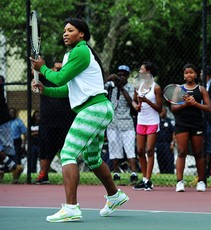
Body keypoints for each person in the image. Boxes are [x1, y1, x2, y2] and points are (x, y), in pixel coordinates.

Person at [30, 18, 129, 222]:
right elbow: (68, 88)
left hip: (94, 109)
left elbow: (59, 77)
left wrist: (43, 68)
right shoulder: (71, 55)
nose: (65, 33)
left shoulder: (82, 51)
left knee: (67, 153)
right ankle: (115, 195)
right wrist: (45, 89)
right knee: (92, 159)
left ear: (81, 34)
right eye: (64, 30)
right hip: (99, 109)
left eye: (70, 30)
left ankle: (71, 207)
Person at [171, 63, 211, 192]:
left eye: (191, 72)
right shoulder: (178, 90)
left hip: (197, 123)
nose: (189, 74)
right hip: (182, 124)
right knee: (182, 152)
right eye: (186, 73)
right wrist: (185, 104)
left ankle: (201, 181)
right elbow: (173, 108)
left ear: (195, 74)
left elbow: (208, 108)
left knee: (199, 153)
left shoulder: (201, 89)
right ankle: (179, 182)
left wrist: (195, 104)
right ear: (184, 76)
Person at [33, 61, 76, 184]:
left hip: (67, 122)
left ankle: (69, 177)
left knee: (69, 151)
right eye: (56, 67)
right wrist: (50, 69)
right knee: (45, 150)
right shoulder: (46, 77)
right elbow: (33, 71)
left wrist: (62, 70)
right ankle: (43, 175)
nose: (58, 69)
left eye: (61, 67)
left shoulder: (69, 78)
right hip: (47, 122)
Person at [132, 61, 162, 191]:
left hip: (152, 122)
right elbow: (134, 100)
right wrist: (137, 106)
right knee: (140, 151)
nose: (140, 71)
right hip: (141, 121)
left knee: (149, 150)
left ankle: (148, 180)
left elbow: (160, 108)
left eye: (141, 69)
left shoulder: (156, 88)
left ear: (148, 72)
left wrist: (146, 101)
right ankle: (144, 178)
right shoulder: (138, 85)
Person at [105, 65, 138, 183]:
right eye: (119, 74)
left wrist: (121, 87)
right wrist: (109, 79)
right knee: (114, 147)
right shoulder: (111, 86)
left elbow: (131, 101)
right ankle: (116, 173)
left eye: (124, 75)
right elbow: (100, 88)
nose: (121, 77)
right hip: (113, 122)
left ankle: (134, 173)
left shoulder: (130, 87)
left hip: (126, 122)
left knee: (129, 148)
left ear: (128, 76)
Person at [0, 75, 23, 183]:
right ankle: (10, 168)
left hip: (2, 121)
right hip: (4, 120)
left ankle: (14, 168)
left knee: (6, 149)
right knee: (3, 149)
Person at [155, 106, 175, 174]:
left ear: (166, 112)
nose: (161, 113)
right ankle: (162, 172)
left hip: (167, 144)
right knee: (160, 160)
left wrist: (172, 143)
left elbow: (174, 133)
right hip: (159, 144)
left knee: (169, 161)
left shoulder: (169, 121)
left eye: (163, 111)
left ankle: (170, 173)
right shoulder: (157, 121)